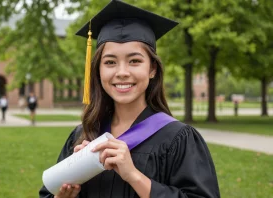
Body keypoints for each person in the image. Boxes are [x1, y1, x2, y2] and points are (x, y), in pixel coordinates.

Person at [39, 1, 220, 198]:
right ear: (98, 71)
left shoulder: (177, 139)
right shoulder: (84, 135)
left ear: (152, 69)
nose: (122, 72)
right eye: (110, 62)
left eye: (134, 61)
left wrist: (133, 175)